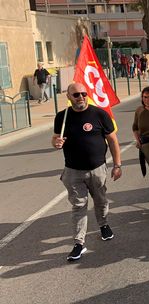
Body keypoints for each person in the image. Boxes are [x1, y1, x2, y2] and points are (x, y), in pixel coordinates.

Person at [52, 82, 122, 261]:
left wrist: (117, 165)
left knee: (101, 201)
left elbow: (112, 140)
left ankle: (103, 225)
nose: (81, 97)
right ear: (68, 97)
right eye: (76, 95)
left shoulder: (99, 114)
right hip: (73, 172)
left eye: (84, 94)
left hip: (97, 169)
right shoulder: (62, 117)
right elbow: (55, 138)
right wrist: (56, 143)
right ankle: (78, 243)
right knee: (78, 206)